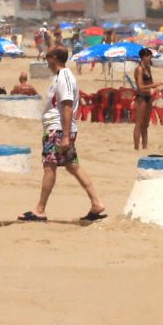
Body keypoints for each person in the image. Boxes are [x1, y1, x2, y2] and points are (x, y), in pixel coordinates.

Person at [22, 46, 106, 223]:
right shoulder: (60, 77)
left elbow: (67, 106)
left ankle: (40, 210)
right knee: (72, 166)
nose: (46, 59)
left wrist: (66, 136)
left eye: (47, 56)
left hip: (58, 129)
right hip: (59, 128)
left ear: (54, 58)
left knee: (49, 166)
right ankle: (96, 203)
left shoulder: (65, 77)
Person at [131, 47, 162, 150]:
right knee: (139, 124)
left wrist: (155, 88)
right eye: (149, 57)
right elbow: (140, 86)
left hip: (148, 97)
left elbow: (150, 83)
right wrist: (153, 85)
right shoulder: (139, 69)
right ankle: (136, 147)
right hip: (141, 98)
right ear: (143, 57)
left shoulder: (148, 68)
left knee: (146, 124)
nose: (150, 59)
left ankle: (144, 146)